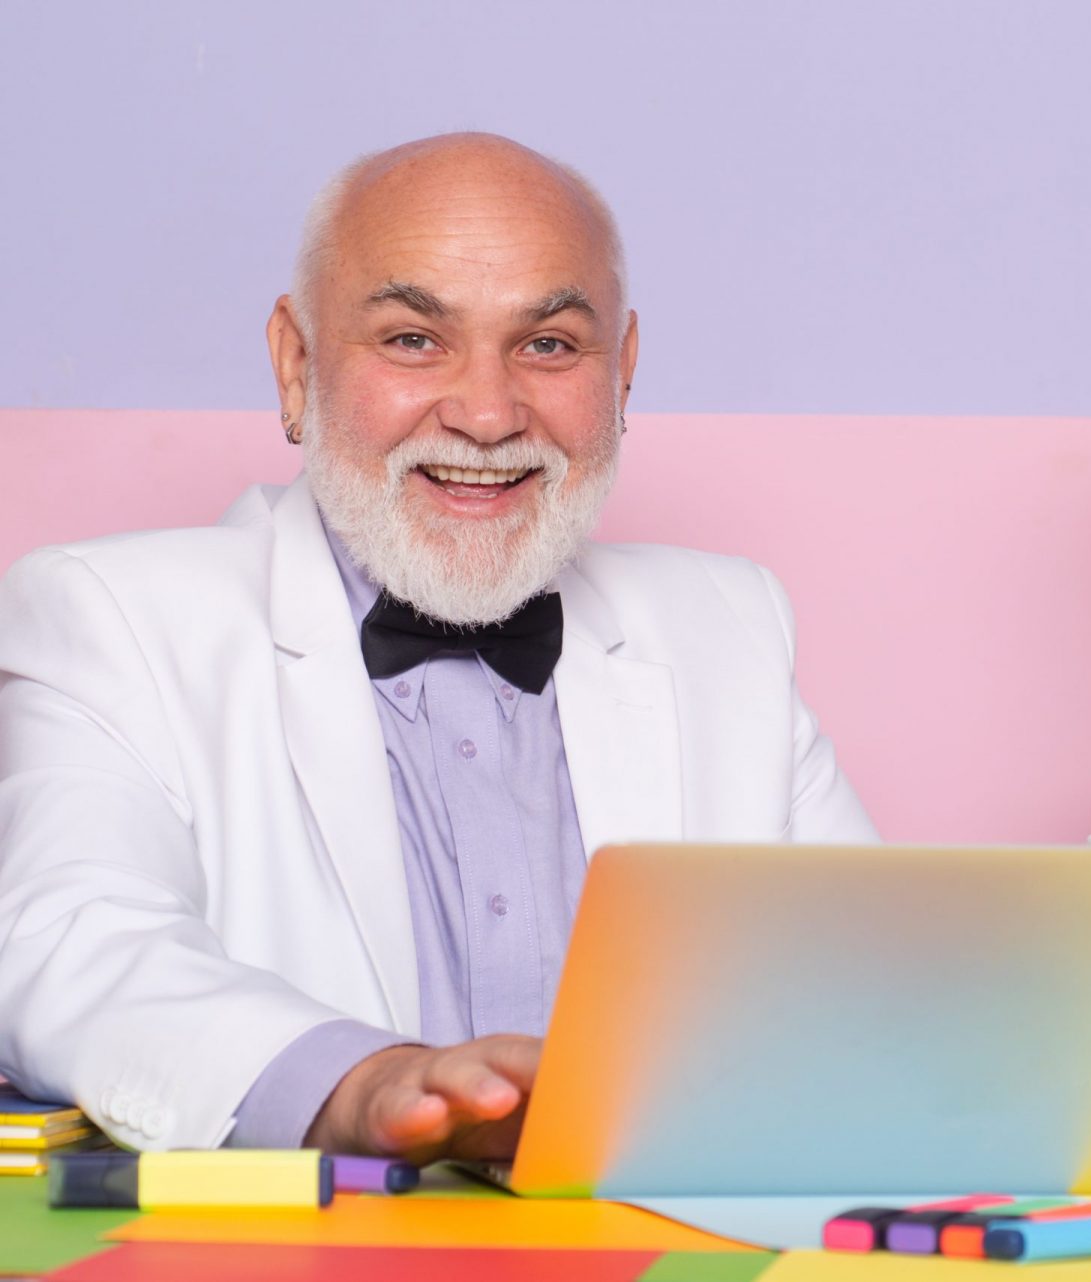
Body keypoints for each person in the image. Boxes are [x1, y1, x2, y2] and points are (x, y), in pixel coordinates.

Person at [0, 134, 875, 1163]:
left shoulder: (729, 622)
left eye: (548, 344)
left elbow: (865, 991)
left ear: (623, 374)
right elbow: (68, 944)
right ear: (297, 363)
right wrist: (358, 1083)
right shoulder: (109, 614)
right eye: (414, 339)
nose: (488, 414)